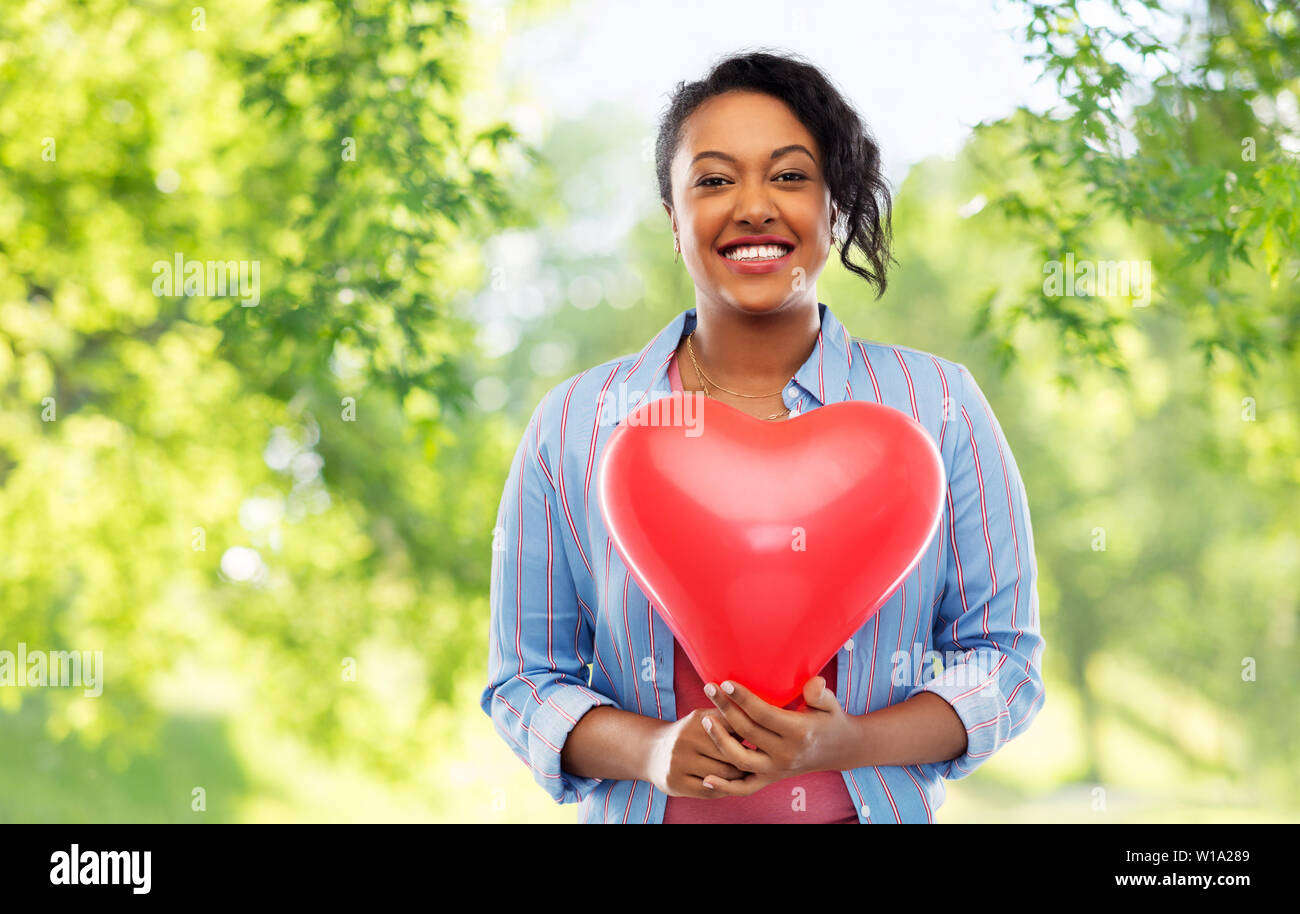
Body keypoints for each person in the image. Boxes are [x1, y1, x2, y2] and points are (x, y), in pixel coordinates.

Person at [480, 49, 1045, 823]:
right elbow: (524, 681)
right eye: (713, 180)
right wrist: (652, 750)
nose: (753, 207)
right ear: (674, 219)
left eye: (788, 176)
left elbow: (1006, 661)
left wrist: (845, 744)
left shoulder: (940, 405)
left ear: (836, 207)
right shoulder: (575, 424)